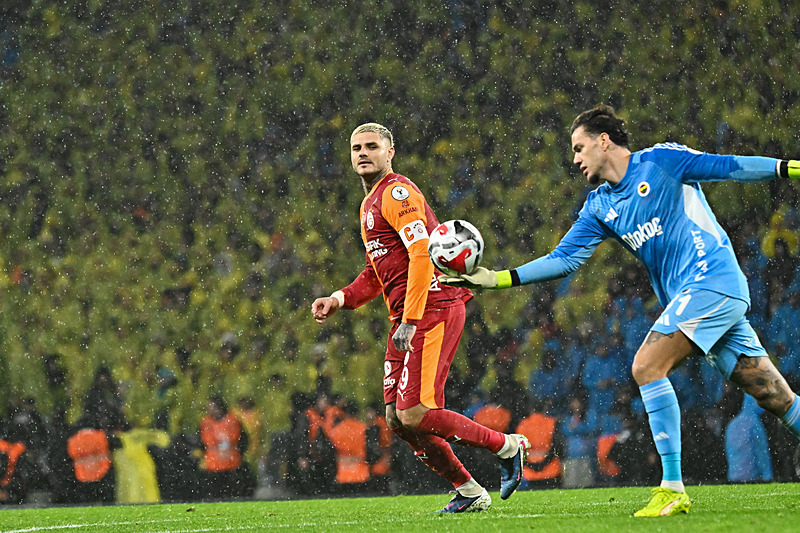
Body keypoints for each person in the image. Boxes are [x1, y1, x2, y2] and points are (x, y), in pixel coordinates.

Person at [442, 105, 800, 516]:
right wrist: (497, 278)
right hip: (695, 298)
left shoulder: (661, 161)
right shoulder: (599, 207)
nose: (575, 159)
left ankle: (671, 487)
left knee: (647, 366)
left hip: (711, 280)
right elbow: (564, 259)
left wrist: (790, 168)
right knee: (774, 395)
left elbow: (729, 167)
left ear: (603, 141)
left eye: (579, 148)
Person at [311, 122, 529, 513]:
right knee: (397, 418)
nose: (363, 153)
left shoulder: (397, 192)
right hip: (408, 318)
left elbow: (420, 253)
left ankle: (508, 447)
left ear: (390, 152)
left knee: (417, 411)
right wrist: (340, 298)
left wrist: (410, 318)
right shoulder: (368, 205)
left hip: (433, 306)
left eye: (372, 146)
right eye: (356, 147)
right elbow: (376, 271)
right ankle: (468, 490)